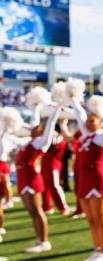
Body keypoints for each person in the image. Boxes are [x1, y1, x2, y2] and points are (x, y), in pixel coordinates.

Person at [71, 94, 103, 261]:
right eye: (87, 121)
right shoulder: (86, 137)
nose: (88, 123)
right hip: (84, 180)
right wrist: (73, 98)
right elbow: (79, 114)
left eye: (92, 120)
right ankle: (97, 248)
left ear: (100, 123)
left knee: (100, 218)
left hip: (98, 180)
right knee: (90, 219)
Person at [15, 104, 63, 252]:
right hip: (22, 177)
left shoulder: (42, 142)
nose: (33, 127)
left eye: (37, 127)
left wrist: (57, 109)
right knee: (31, 211)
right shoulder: (29, 142)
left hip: (31, 178)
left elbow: (49, 126)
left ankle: (44, 241)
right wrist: (36, 106)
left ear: (42, 131)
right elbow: (34, 120)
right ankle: (38, 239)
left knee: (37, 210)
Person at [0, 119, 29, 242]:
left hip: (1, 164)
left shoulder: (7, 137)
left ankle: (9, 200)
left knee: (4, 188)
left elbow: (22, 142)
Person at [41, 120, 71, 216]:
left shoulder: (59, 138)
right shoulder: (46, 138)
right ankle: (47, 207)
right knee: (44, 187)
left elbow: (54, 143)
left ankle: (63, 207)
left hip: (53, 165)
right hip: (45, 164)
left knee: (55, 186)